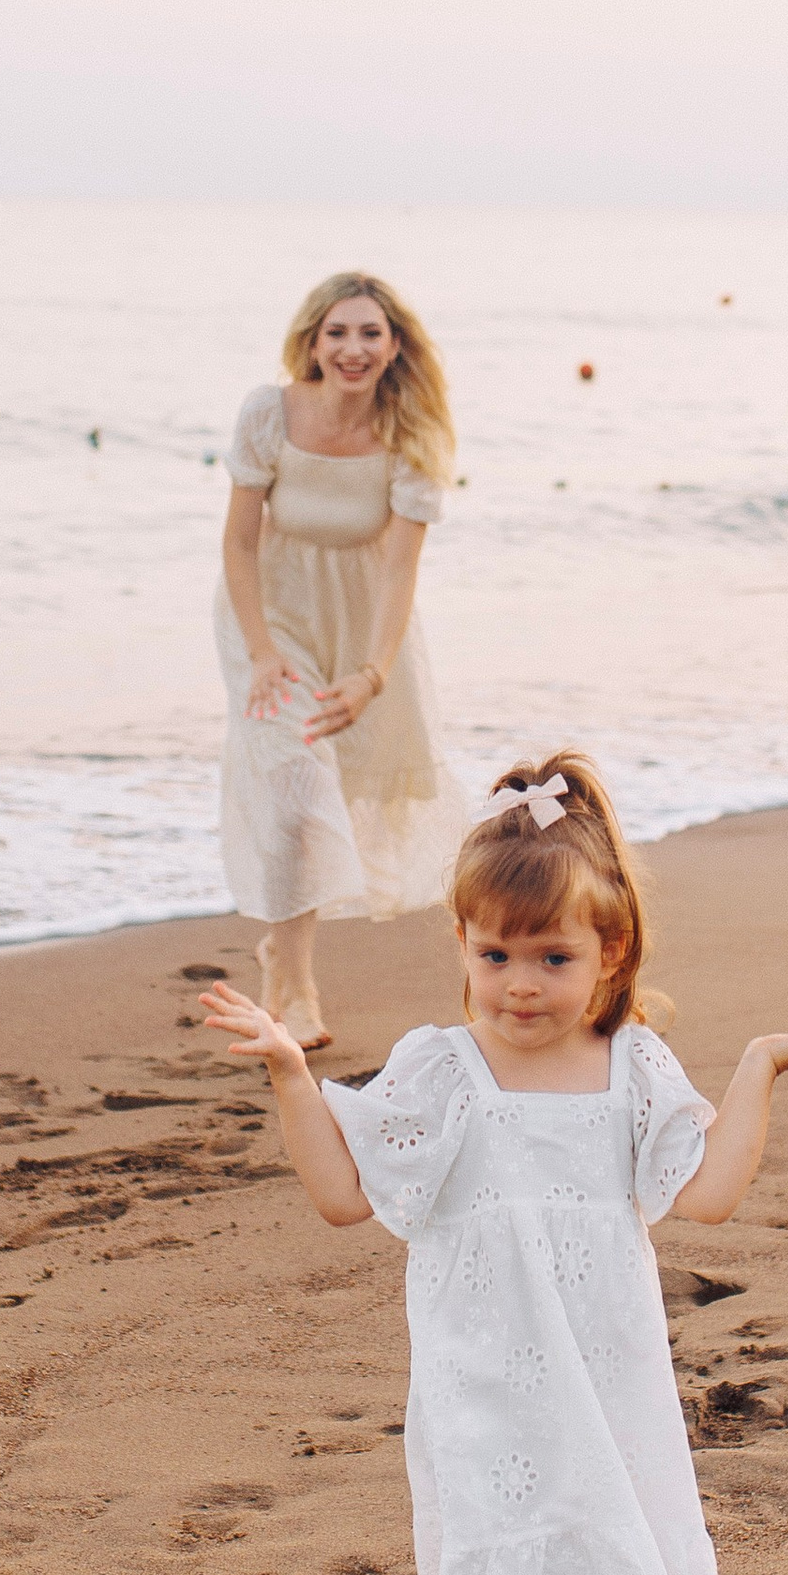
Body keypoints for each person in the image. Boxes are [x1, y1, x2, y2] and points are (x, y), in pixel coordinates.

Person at [199, 753, 788, 1575]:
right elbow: (343, 1195)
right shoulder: (442, 1067)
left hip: (602, 1383)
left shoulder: (631, 1068)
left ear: (609, 953)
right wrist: (293, 1072)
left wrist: (758, 1066)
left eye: (552, 957)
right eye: (496, 953)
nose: (520, 982)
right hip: (486, 1388)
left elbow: (707, 1193)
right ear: (461, 944)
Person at [216, 271, 466, 1052]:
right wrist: (260, 652)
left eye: (370, 334)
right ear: (313, 341)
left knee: (336, 789)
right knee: (292, 783)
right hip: (271, 615)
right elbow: (240, 540)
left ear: (395, 347)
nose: (353, 349)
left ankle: (281, 955)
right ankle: (296, 984)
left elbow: (399, 572)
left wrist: (372, 675)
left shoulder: (414, 434)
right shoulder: (269, 413)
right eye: (338, 333)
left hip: (364, 627)